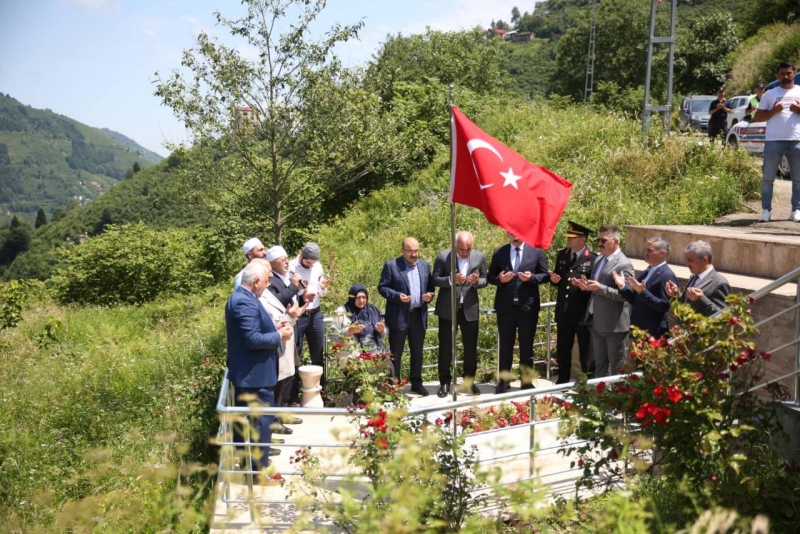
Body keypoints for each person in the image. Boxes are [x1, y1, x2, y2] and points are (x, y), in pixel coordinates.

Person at [225, 262, 293, 480]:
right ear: (255, 282)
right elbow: (253, 339)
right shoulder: (244, 302)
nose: (266, 286)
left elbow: (254, 330)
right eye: (265, 282)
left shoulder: (244, 298)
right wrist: (279, 336)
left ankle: (252, 466)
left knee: (251, 423)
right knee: (261, 422)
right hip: (253, 375)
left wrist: (274, 328)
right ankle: (257, 472)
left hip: (251, 373)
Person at [488, 231, 550, 393]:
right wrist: (499, 280)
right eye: (512, 234)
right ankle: (503, 381)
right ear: (507, 234)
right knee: (505, 346)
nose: (515, 238)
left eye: (519, 234)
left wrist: (531, 278)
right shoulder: (499, 252)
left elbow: (545, 275)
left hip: (527, 308)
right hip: (505, 308)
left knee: (527, 346)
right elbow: (490, 276)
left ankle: (526, 381)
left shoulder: (535, 251)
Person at [252, 258, 306, 441]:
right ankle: (268, 431)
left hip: (282, 341)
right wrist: (288, 318)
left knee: (282, 385)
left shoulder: (265, 291)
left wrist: (289, 318)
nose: (270, 277)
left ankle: (274, 421)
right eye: (267, 273)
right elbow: (266, 323)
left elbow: (275, 317)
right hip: (271, 348)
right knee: (271, 391)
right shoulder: (254, 297)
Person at [431, 231, 488, 397]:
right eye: (461, 249)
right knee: (446, 346)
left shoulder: (479, 257)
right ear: (455, 245)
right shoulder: (443, 256)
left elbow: (486, 279)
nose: (464, 253)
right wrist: (450, 280)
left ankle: (469, 381)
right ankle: (445, 382)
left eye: (468, 249)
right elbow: (434, 279)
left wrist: (477, 281)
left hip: (469, 308)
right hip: (447, 308)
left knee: (470, 347)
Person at [572, 225, 634, 377]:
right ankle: (599, 399)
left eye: (603, 240)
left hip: (615, 326)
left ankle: (617, 400)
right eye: (598, 240)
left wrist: (599, 288)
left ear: (616, 241)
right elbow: (596, 287)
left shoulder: (624, 264)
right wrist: (585, 286)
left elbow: (626, 295)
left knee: (617, 370)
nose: (599, 243)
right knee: (599, 367)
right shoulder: (600, 259)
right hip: (598, 322)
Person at [378, 237, 435, 396]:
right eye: (410, 251)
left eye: (416, 251)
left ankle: (416, 383)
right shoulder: (392, 266)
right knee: (396, 353)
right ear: (402, 250)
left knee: (417, 352)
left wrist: (430, 296)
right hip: (398, 317)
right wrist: (397, 296)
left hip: (418, 315)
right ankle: (394, 386)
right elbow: (382, 288)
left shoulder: (425, 266)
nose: (414, 254)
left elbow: (430, 287)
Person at [548, 221, 598, 384]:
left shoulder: (593, 258)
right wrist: (554, 280)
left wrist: (585, 286)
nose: (568, 240)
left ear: (582, 240)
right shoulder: (563, 255)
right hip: (564, 311)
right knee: (563, 349)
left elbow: (596, 286)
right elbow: (558, 280)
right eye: (568, 237)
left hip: (582, 312)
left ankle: (588, 383)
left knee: (586, 351)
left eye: (572, 238)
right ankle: (562, 380)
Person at [754, 61, 800, 223]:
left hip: (796, 139)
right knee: (768, 178)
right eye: (782, 73)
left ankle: (796, 210)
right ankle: (766, 210)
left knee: (798, 178)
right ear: (777, 75)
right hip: (773, 140)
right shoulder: (770, 94)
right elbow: (757, 117)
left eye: (788, 73)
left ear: (794, 73)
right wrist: (774, 111)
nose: (785, 76)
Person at [266, 245, 306, 417]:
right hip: (280, 330)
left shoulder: (288, 276)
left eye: (287, 258)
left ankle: (284, 408)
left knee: (292, 369)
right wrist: (294, 287)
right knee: (282, 373)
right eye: (283, 260)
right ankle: (278, 412)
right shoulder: (271, 281)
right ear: (273, 264)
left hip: (293, 326)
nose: (287, 262)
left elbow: (293, 298)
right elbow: (277, 300)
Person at [613, 237, 677, 339]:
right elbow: (636, 300)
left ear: (662, 254)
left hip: (653, 334)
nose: (645, 253)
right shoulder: (647, 271)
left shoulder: (666, 275)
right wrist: (623, 286)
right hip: (638, 331)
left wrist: (642, 292)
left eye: (650, 250)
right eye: (645, 250)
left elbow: (663, 306)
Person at [288, 243, 330, 385]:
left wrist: (323, 288)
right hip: (298, 314)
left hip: (315, 313)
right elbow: (289, 291)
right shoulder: (291, 267)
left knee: (318, 354)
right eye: (308, 262)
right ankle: (293, 394)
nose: (311, 265)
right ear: (301, 255)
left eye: (313, 263)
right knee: (295, 354)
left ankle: (320, 390)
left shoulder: (317, 266)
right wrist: (302, 294)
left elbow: (322, 292)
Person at [665, 240, 730, 316]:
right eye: (686, 260)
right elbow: (686, 302)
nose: (687, 264)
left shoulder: (720, 282)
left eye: (690, 260)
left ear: (704, 260)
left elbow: (723, 316)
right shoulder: (693, 276)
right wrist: (676, 294)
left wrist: (701, 299)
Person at [336, 284, 388, 351]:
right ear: (352, 297)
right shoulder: (341, 312)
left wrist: (382, 331)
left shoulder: (372, 310)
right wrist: (348, 331)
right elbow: (332, 336)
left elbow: (385, 334)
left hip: (375, 350)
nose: (361, 301)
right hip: (352, 352)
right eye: (358, 298)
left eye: (364, 297)